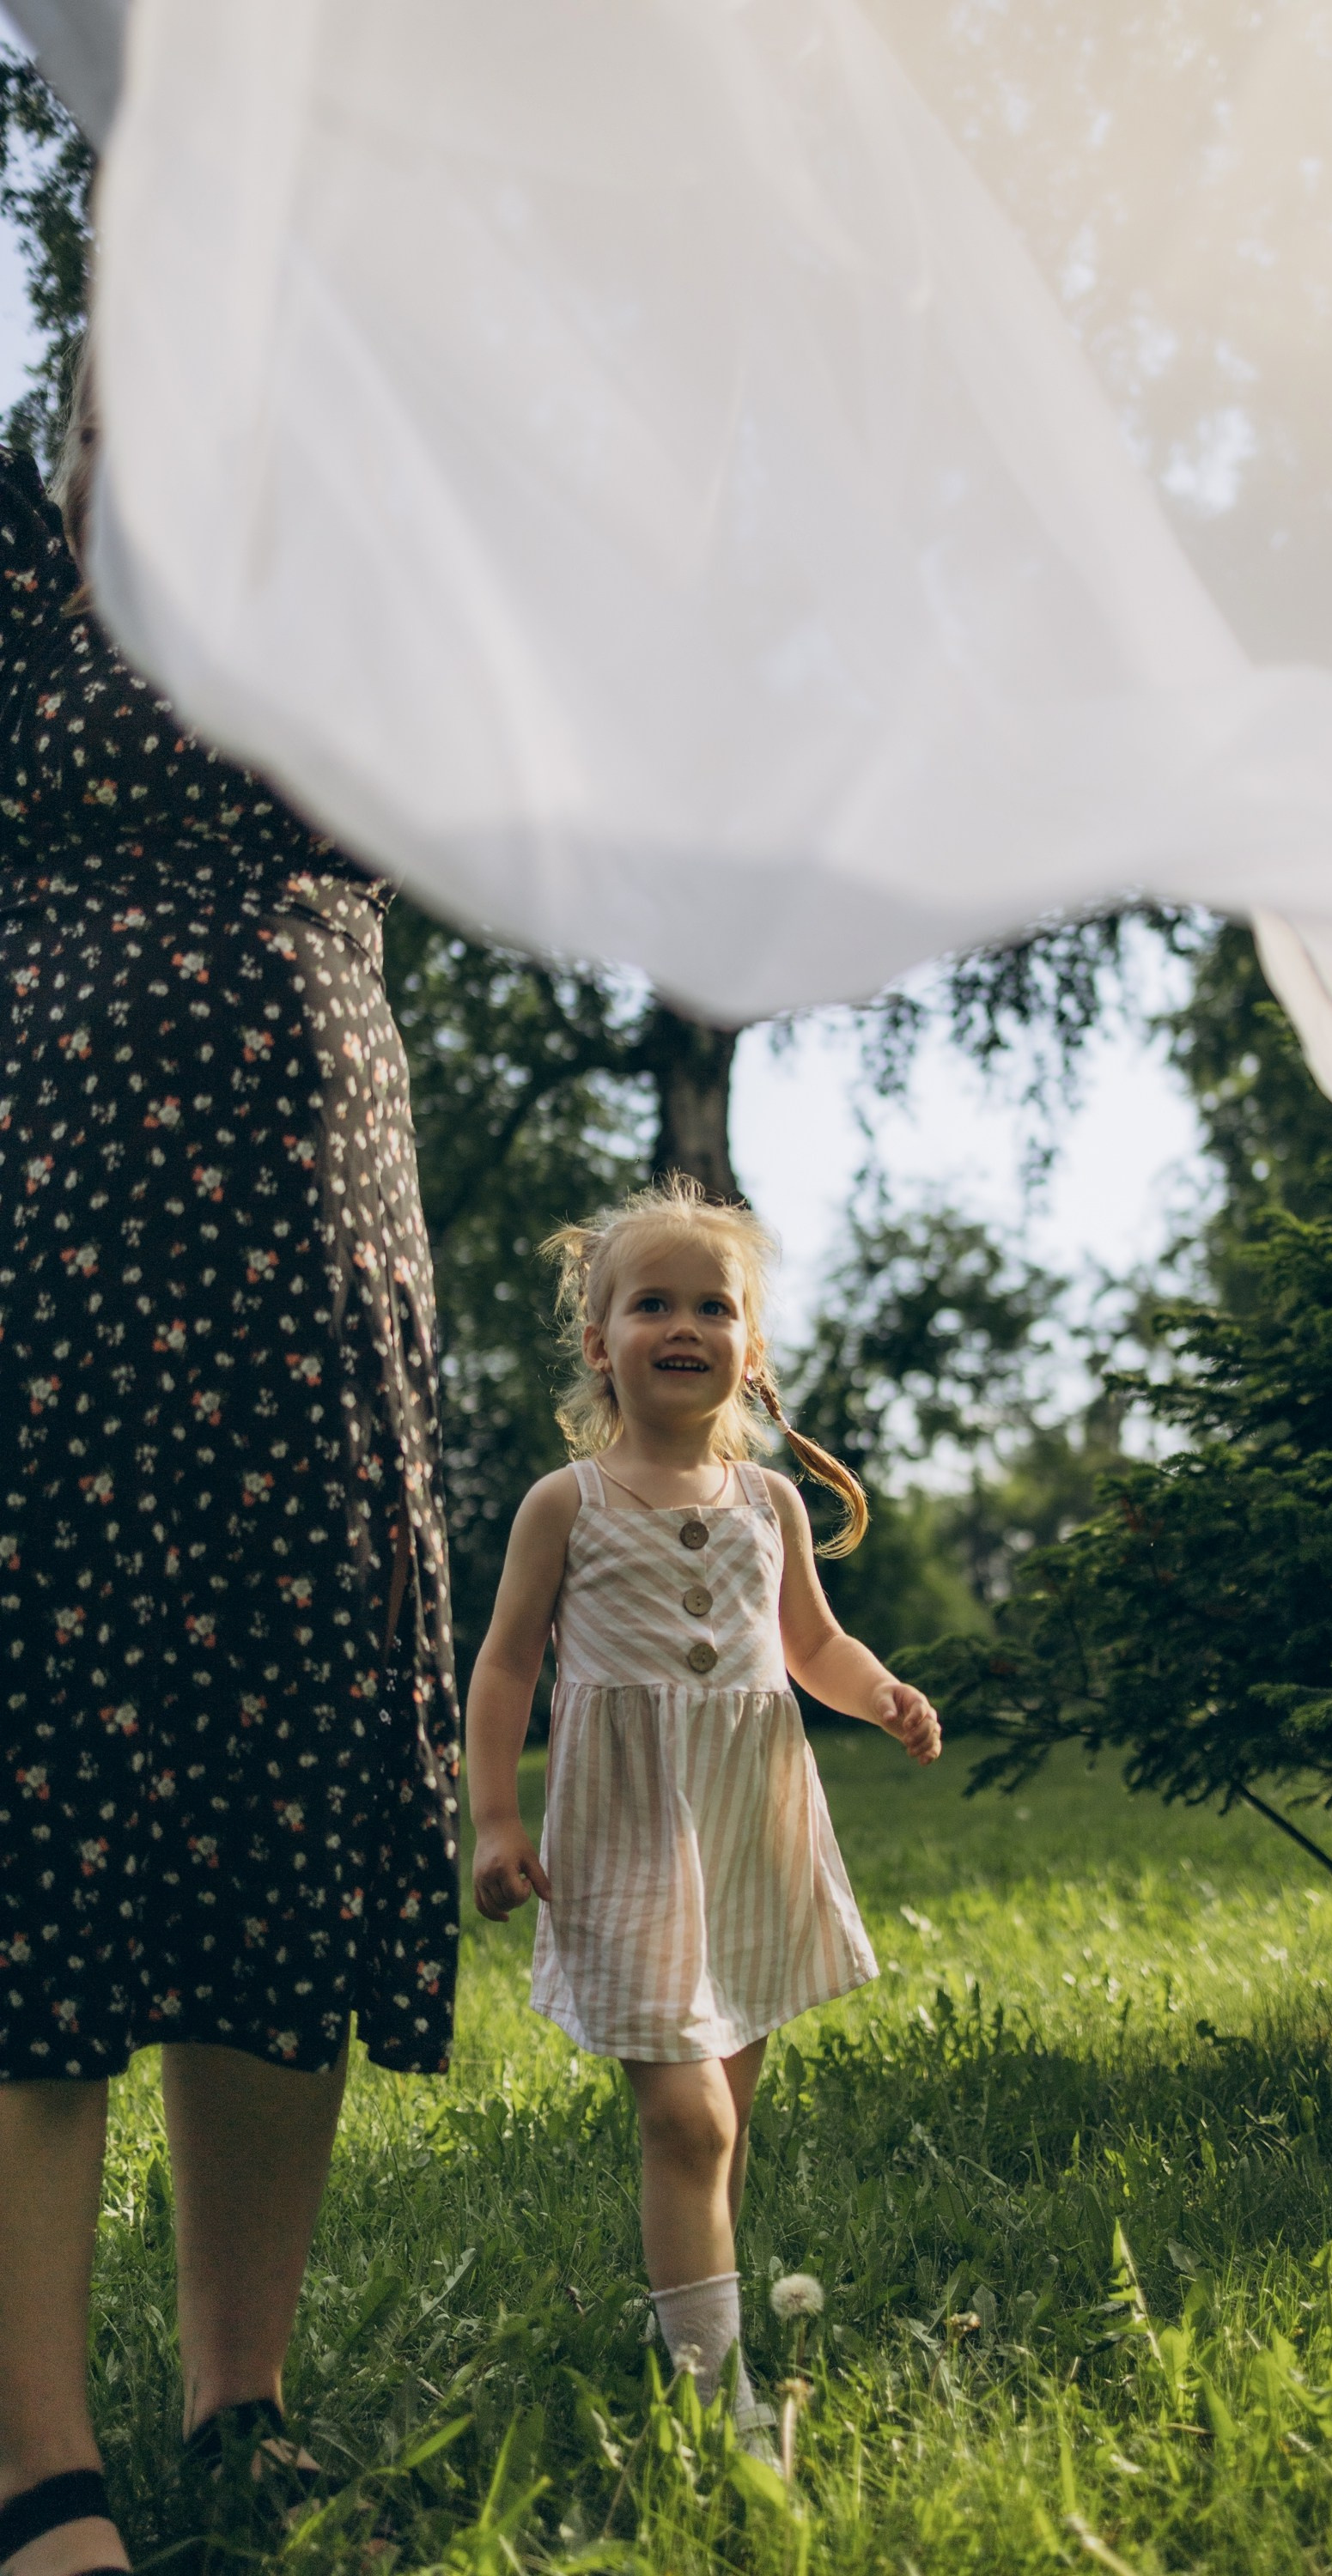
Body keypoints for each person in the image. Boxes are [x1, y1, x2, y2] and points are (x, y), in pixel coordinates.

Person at [0, 359, 461, 2576]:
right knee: (50, 1793)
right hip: (51, 1217)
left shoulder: (382, 576)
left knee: (282, 1773)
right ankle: (33, 2463)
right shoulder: (14, 541)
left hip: (317, 1212)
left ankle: (238, 2401)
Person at [467, 1176, 940, 2427]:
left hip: (748, 1834)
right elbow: (507, 1663)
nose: (685, 1325)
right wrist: (498, 1819)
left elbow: (811, 1646)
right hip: (626, 1837)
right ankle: (714, 2393)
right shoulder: (566, 1504)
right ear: (600, 1345)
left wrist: (882, 1692)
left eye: (713, 1305)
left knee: (722, 2116)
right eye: (652, 1304)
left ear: (750, 1346)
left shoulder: (768, 1504)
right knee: (685, 2119)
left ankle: (696, 2313)